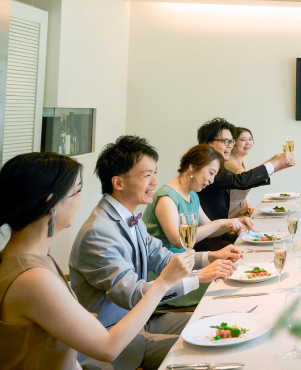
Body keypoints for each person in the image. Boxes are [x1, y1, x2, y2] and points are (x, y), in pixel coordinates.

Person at [0, 152, 193, 370]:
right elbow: (108, 347)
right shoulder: (33, 278)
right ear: (50, 203)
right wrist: (163, 283)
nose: (81, 200)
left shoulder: (30, 261)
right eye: (77, 191)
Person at [69, 136, 240, 370]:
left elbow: (164, 259)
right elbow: (132, 295)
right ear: (118, 183)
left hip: (144, 322)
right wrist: (199, 277)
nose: (155, 181)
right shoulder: (99, 233)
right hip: (116, 340)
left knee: (221, 321)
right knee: (215, 350)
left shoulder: (132, 219)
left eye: (155, 173)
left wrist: (210, 257)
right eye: (147, 175)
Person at [141, 145, 253, 308]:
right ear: (192, 167)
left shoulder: (192, 195)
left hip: (185, 267)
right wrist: (220, 222)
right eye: (211, 173)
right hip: (165, 277)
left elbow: (209, 229)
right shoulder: (166, 197)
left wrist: (235, 222)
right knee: (228, 284)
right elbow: (178, 240)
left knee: (233, 274)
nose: (212, 180)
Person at [195, 118, 295, 226]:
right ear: (207, 143)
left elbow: (243, 180)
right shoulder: (206, 166)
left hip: (222, 227)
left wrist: (274, 167)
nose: (230, 145)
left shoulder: (217, 163)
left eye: (231, 141)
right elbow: (242, 180)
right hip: (213, 234)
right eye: (225, 141)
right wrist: (275, 162)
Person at [222, 127, 255, 218]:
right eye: (243, 140)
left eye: (250, 139)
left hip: (242, 212)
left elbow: (244, 186)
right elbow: (247, 179)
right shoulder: (229, 161)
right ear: (233, 142)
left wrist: (247, 204)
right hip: (232, 215)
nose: (248, 143)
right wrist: (274, 163)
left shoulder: (241, 159)